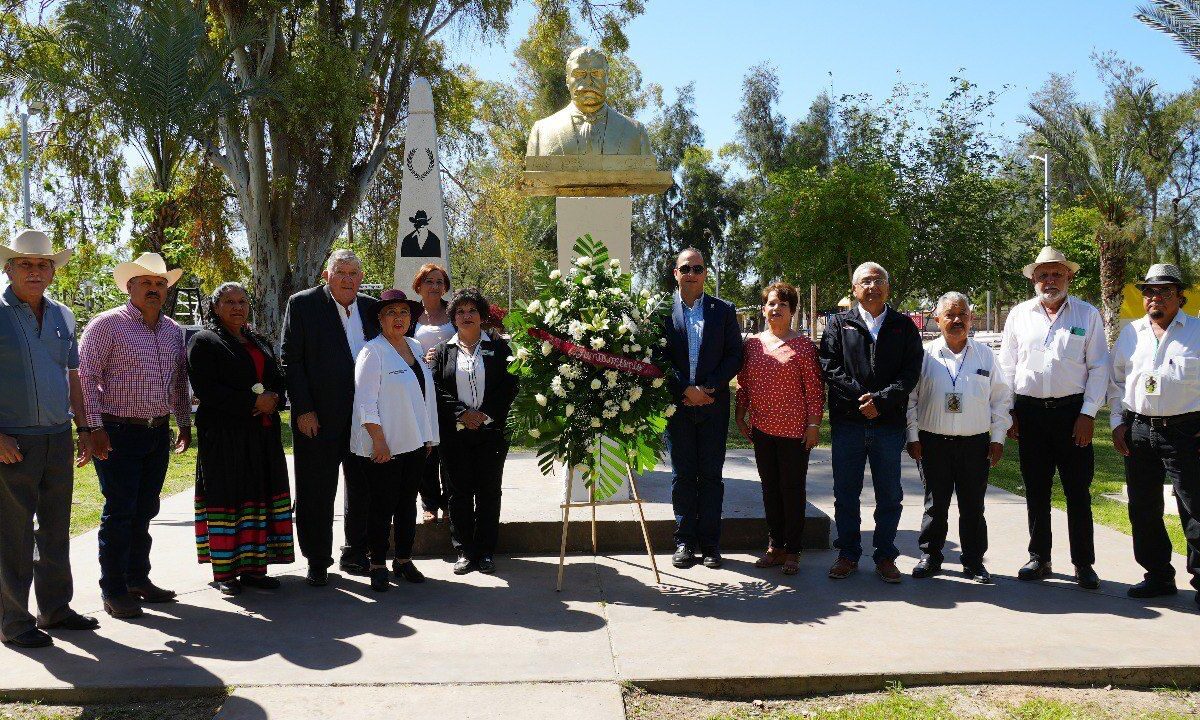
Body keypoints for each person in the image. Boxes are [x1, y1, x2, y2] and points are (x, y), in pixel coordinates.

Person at [79, 252, 192, 619]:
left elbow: (178, 383)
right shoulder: (106, 325)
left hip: (156, 432)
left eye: (160, 284)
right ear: (130, 287)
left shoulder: (174, 331)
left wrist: (184, 423)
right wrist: (93, 427)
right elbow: (85, 379)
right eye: (146, 283)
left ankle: (137, 578)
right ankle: (113, 588)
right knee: (120, 511)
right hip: (115, 431)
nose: (154, 289)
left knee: (145, 509)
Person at [0, 229, 99, 648]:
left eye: (43, 265)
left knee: (55, 528)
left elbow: (72, 376)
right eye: (26, 264)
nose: (35, 271)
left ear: (53, 273)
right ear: (9, 269)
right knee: (14, 534)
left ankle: (55, 610)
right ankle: (14, 622)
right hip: (13, 441)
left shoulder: (63, 316)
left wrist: (86, 427)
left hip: (58, 436)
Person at [999, 246, 1107, 589]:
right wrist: (1009, 411)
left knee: (1078, 491)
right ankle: (1039, 558)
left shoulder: (1087, 315)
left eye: (1057, 273)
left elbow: (1099, 367)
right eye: (1043, 274)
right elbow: (1007, 367)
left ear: (1069, 277)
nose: (1050, 280)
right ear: (1034, 279)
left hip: (1072, 414)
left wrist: (1088, 413)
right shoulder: (1019, 315)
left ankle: (1083, 564)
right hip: (1029, 414)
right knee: (1036, 490)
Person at [281, 249, 380, 586]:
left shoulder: (370, 307)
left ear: (361, 278)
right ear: (327, 275)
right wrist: (304, 408)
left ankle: (355, 553)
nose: (348, 279)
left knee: (363, 488)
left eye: (354, 273)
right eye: (341, 272)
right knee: (316, 490)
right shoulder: (303, 304)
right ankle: (318, 560)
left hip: (363, 418)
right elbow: (291, 361)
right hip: (317, 419)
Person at [187, 283, 294, 596]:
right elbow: (206, 390)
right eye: (229, 302)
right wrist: (251, 403)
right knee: (229, 498)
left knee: (258, 498)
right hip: (224, 436)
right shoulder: (204, 341)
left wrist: (275, 397)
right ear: (216, 307)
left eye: (243, 302)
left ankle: (254, 569)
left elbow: (276, 377)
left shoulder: (257, 339)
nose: (237, 307)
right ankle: (225, 572)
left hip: (261, 435)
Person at [818, 261, 923, 583]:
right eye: (865, 281)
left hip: (888, 426)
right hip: (848, 423)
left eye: (879, 281)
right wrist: (862, 399)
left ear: (888, 288)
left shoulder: (903, 326)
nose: (872, 286)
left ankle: (885, 556)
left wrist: (882, 401)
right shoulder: (838, 324)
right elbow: (829, 366)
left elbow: (910, 373)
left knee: (889, 494)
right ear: (854, 289)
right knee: (845, 493)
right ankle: (848, 553)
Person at [1109, 264, 1200, 604]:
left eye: (1163, 290)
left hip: (1186, 432)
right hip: (1139, 430)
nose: (1154, 296)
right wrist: (1117, 422)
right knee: (1143, 508)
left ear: (1180, 295)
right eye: (1148, 291)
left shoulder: (1197, 331)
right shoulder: (1131, 333)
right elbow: (1116, 381)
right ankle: (1158, 576)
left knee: (1194, 506)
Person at [906, 292, 1011, 584]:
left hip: (975, 443)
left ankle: (974, 561)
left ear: (971, 318)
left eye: (962, 315)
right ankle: (931, 556)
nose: (956, 320)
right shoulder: (924, 355)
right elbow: (910, 399)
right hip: (932, 442)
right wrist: (913, 436)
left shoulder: (986, 355)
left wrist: (998, 438)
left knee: (973, 505)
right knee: (935, 504)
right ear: (937, 319)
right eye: (950, 315)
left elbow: (1001, 399)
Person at [350, 290, 439, 592]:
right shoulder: (371, 352)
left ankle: (402, 560)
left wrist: (427, 436)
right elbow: (366, 402)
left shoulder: (413, 345)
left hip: (414, 442)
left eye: (403, 312)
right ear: (379, 318)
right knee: (381, 506)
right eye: (391, 312)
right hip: (384, 445)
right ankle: (377, 564)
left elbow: (422, 396)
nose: (398, 318)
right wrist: (378, 441)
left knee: (406, 506)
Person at [663, 248, 744, 570]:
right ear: (676, 273)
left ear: (705, 273)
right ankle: (684, 542)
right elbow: (657, 358)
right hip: (678, 406)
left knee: (711, 476)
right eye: (686, 268)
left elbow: (734, 355)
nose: (692, 274)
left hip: (713, 405)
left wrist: (708, 388)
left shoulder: (723, 310)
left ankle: (710, 544)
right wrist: (685, 388)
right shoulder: (660, 311)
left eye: (697, 268)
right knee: (682, 476)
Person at [734, 282, 823, 576]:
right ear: (763, 309)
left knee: (792, 490)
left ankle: (794, 550)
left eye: (782, 305)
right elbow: (744, 384)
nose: (776, 309)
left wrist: (813, 426)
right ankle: (776, 546)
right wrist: (740, 416)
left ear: (792, 311)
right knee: (770, 489)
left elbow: (814, 390)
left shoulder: (804, 347)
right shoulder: (753, 345)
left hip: (795, 432)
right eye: (771, 304)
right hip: (762, 430)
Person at [432, 289, 519, 575]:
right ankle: (464, 552)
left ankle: (485, 552)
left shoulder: (499, 348)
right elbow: (436, 389)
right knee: (458, 492)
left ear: (482, 316)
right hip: (455, 434)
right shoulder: (444, 351)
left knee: (489, 491)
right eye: (460, 311)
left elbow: (509, 386)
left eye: (472, 311)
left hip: (491, 432)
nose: (466, 316)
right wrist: (462, 413)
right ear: (453, 318)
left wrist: (483, 414)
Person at [412, 263, 454, 524]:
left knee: (450, 449)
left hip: (450, 388)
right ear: (419, 285)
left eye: (439, 282)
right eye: (429, 281)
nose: (435, 286)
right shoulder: (410, 314)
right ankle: (429, 503)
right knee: (425, 448)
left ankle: (451, 502)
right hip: (418, 388)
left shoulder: (455, 311)